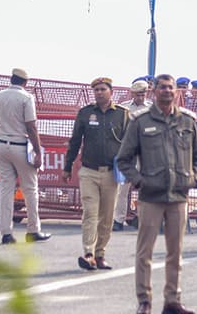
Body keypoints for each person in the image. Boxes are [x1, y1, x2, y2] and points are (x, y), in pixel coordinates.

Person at [117, 74, 197, 314]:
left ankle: (172, 301)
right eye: (162, 87)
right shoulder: (140, 121)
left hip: (178, 197)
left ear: (177, 92)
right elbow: (124, 159)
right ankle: (144, 301)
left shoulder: (187, 121)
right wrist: (138, 181)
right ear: (154, 91)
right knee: (145, 252)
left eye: (171, 88)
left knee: (175, 252)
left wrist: (195, 179)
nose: (167, 91)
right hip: (151, 197)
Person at [62, 77, 129, 271]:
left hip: (111, 174)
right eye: (96, 90)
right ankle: (88, 253)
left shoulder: (123, 115)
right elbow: (75, 142)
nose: (99, 93)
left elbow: (130, 144)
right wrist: (67, 167)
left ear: (111, 92)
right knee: (90, 213)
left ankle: (100, 254)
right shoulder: (85, 113)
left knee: (107, 217)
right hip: (89, 171)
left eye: (102, 89)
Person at [0, 68, 51, 244]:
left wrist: (2, 135)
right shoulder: (26, 98)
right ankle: (33, 230)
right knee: (30, 189)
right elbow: (31, 127)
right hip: (21, 146)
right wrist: (38, 152)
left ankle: (6, 233)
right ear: (25, 82)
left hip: (2, 146)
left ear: (11, 79)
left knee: (6, 190)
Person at [114, 78, 153, 230]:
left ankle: (144, 219)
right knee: (122, 187)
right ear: (132, 94)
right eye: (137, 94)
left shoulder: (152, 108)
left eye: (142, 94)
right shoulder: (123, 108)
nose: (140, 97)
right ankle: (118, 220)